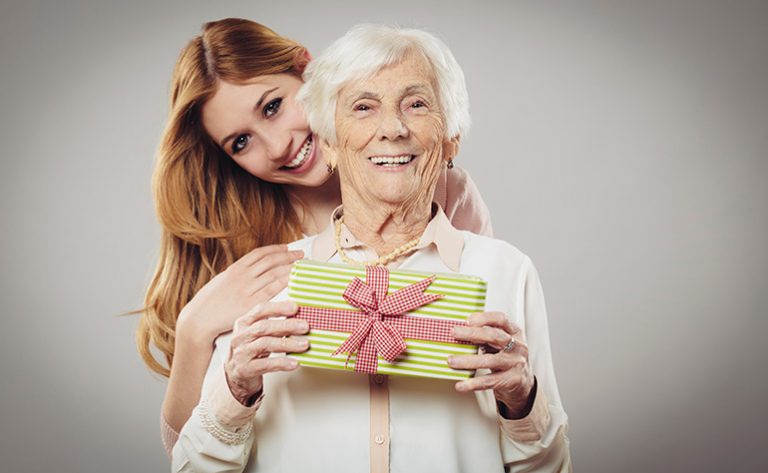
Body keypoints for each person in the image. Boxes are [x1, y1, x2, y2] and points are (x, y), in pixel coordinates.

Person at [172, 24, 571, 472]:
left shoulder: (494, 258)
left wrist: (521, 402)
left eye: (273, 106)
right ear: (331, 140)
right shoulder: (259, 271)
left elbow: (533, 444)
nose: (280, 144)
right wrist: (197, 336)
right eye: (241, 141)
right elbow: (187, 452)